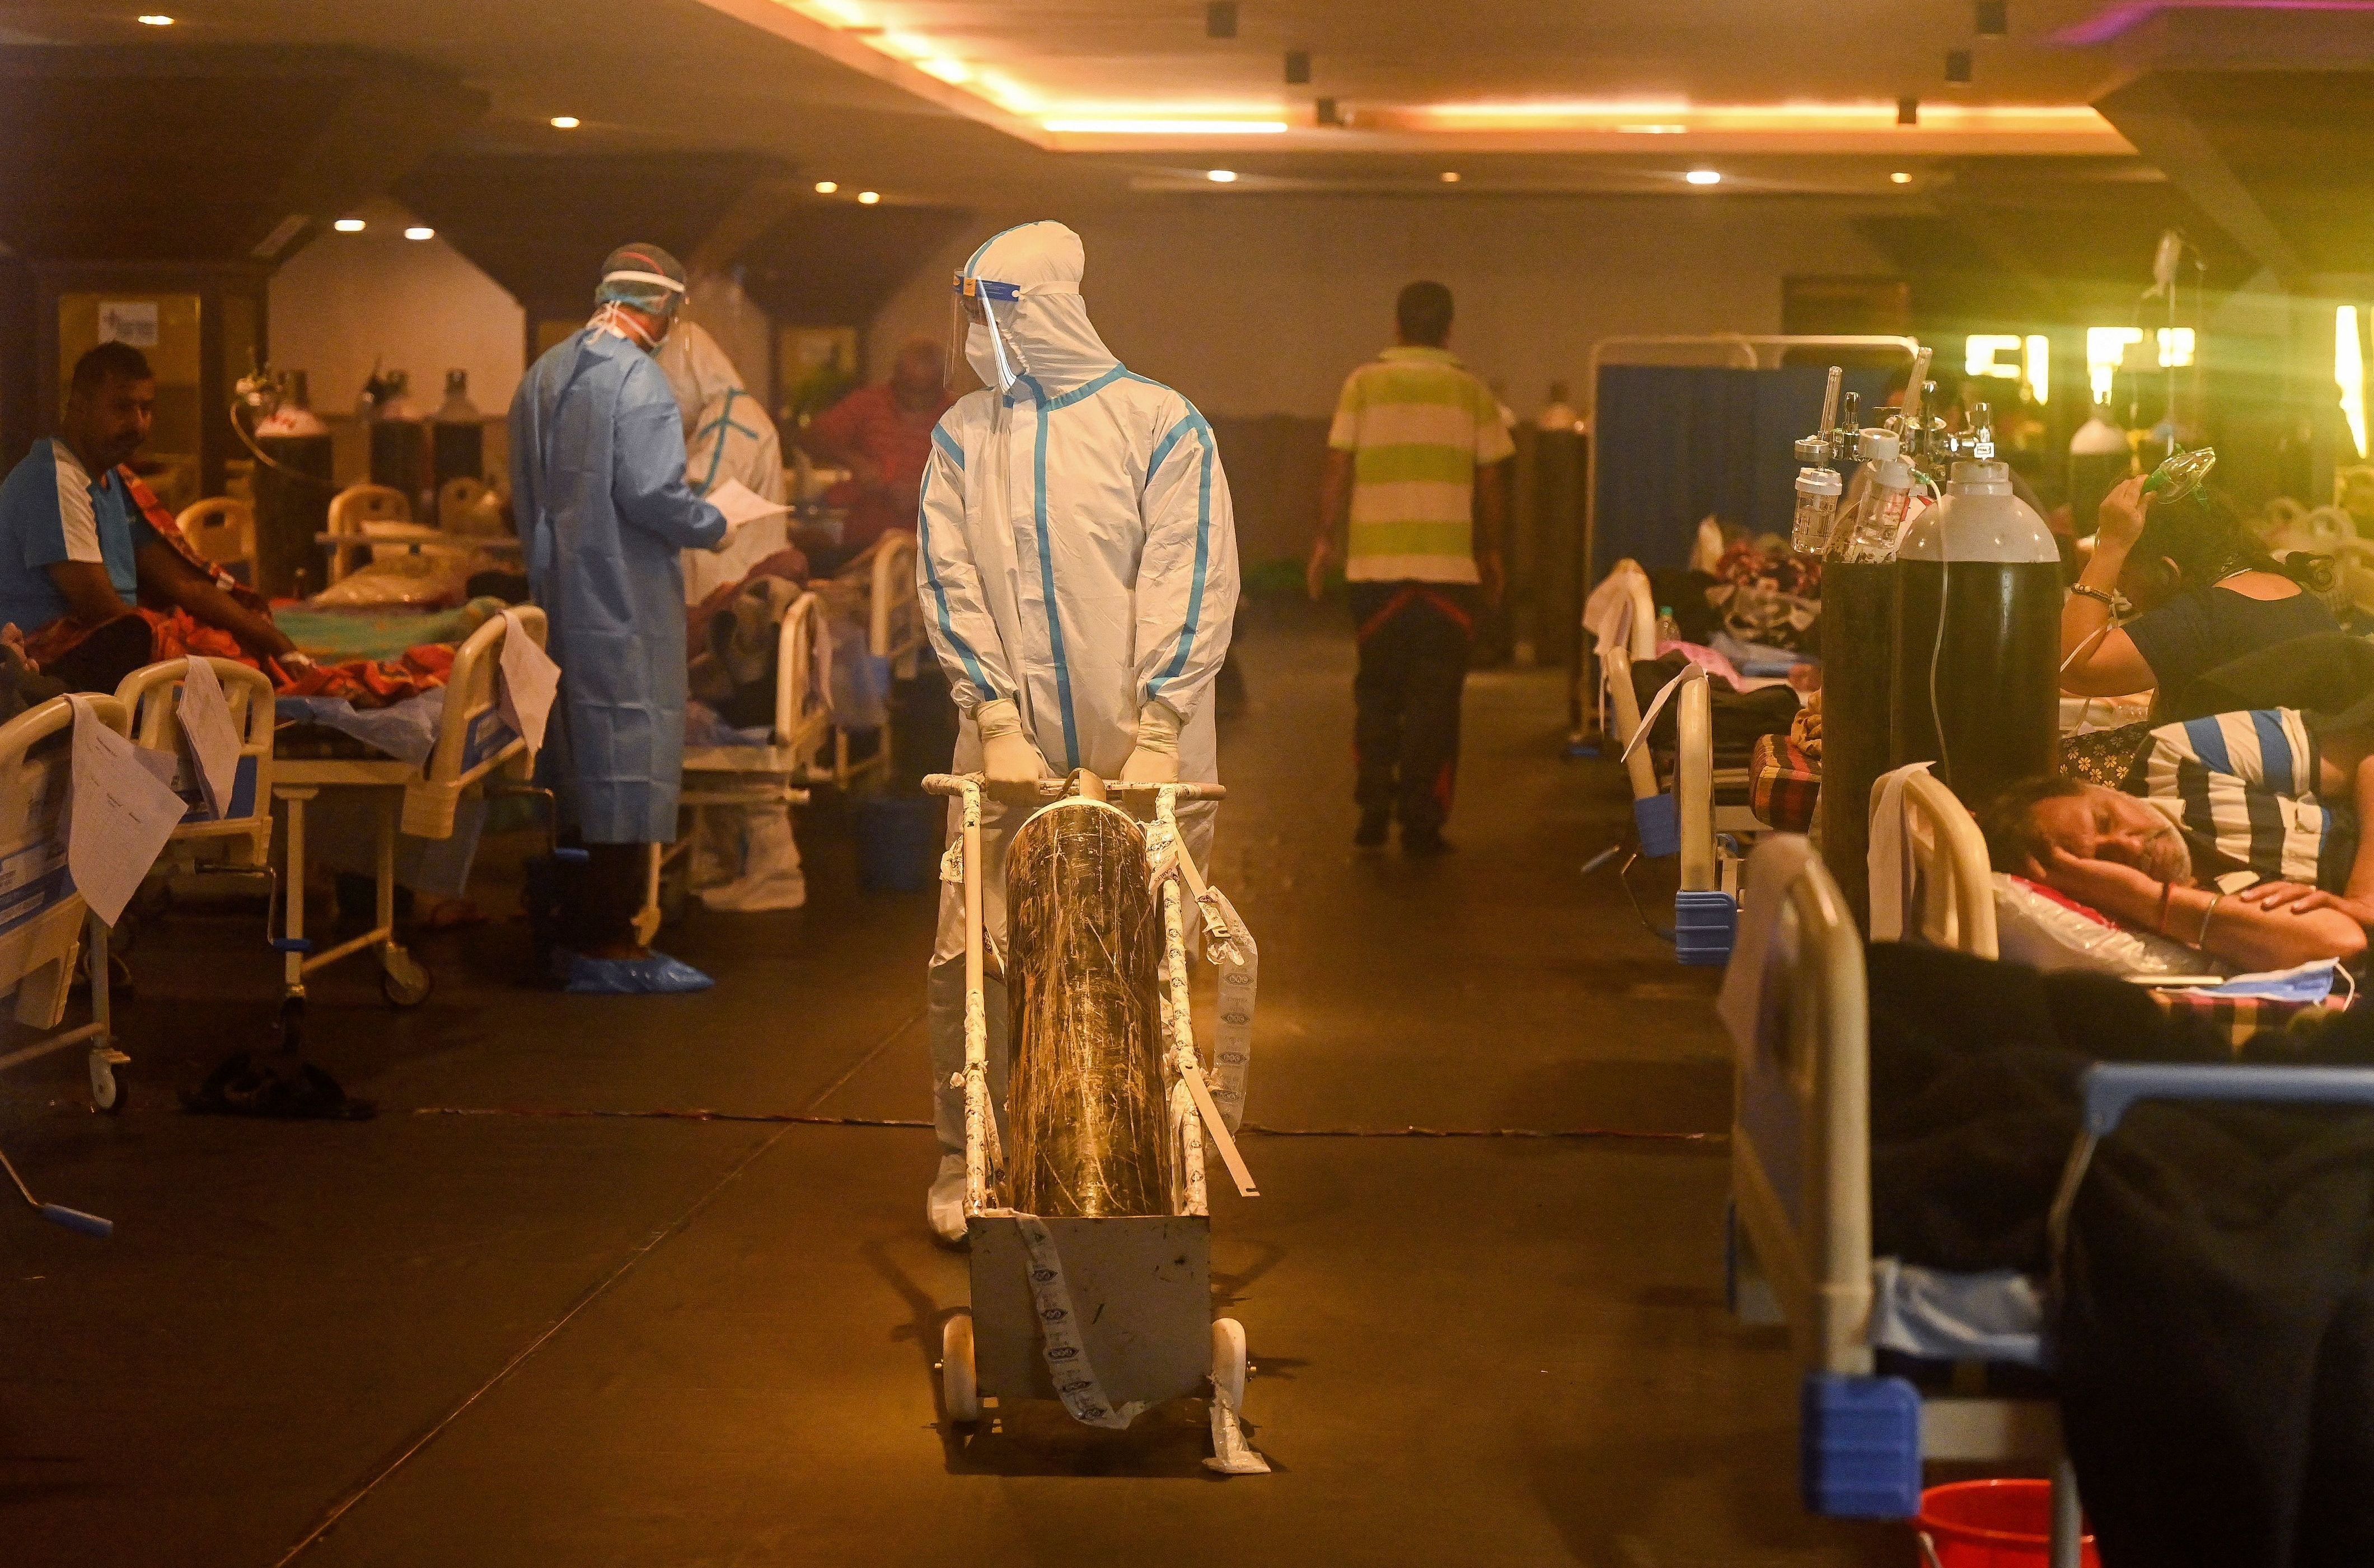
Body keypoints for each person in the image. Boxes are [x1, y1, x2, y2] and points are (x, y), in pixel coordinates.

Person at [916, 219, 1239, 1243]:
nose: (979, 335)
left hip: (1143, 740)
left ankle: (1146, 1148)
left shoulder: (1159, 424)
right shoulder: (964, 434)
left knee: (1151, 953)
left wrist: (1161, 722)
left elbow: (1188, 576)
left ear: (1046, 311)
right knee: (978, 953)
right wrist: (991, 712)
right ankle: (970, 1155)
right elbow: (947, 575)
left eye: (995, 312)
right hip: (1002, 747)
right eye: (971, 313)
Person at [509, 242, 733, 994]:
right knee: (627, 756)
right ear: (667, 308)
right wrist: (714, 523)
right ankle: (610, 943)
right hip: (624, 603)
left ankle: (562, 929)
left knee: (570, 759)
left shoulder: (543, 374)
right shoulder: (640, 382)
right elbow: (650, 495)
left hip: (554, 597)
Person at [1307, 280, 1511, 854]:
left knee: (1376, 692)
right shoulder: (1471, 393)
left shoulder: (1362, 385)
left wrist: (1325, 540)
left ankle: (1372, 809)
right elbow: (1491, 481)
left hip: (1375, 575)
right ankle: (1421, 820)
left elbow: (1336, 466)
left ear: (1396, 327)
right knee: (1435, 700)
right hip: (1448, 577)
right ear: (1448, 330)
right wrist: (1491, 553)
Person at [0, 341, 300, 692]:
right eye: (123, 408)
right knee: (155, 642)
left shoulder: (113, 478)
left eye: (146, 409)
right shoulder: (53, 477)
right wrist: (183, 644)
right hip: (47, 657)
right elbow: (102, 610)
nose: (138, 424)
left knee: (240, 642)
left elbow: (184, 583)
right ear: (78, 407)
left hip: (119, 638)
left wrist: (276, 640)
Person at [1980, 704, 2374, 971]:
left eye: (2104, 821)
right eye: (2101, 861)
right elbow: (2339, 940)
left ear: (2098, 787)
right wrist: (2152, 902)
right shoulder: (2192, 919)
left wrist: (2363, 896)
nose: (2131, 846)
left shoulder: (2175, 759)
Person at [2061, 477, 2337, 720]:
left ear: (2168, 571)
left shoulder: (2205, 614)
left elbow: (2072, 667)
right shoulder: (2286, 593)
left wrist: (2111, 547)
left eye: (2123, 576)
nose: (2120, 592)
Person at [654, 320, 789, 604]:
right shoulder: (725, 417)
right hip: (733, 587)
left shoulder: (731, 419)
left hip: (728, 591)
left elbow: (701, 498)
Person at [798, 336, 952, 567]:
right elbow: (810, 438)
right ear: (896, 379)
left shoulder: (957, 414)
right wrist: (855, 462)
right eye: (909, 390)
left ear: (942, 385)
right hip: (866, 546)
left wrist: (927, 492)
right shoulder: (868, 404)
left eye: (926, 394)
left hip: (934, 551)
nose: (915, 401)